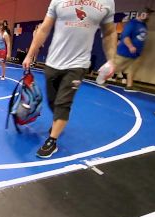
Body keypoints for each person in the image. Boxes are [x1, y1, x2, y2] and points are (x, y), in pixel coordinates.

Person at [22, 0, 117, 158]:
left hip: (78, 65)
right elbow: (44, 28)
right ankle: (58, 120)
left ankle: (52, 141)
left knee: (63, 103)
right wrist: (30, 54)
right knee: (53, 102)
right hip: (53, 62)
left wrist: (112, 60)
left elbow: (109, 32)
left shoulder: (106, 2)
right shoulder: (58, 1)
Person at [114, 7, 155, 92]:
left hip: (136, 54)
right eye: (147, 14)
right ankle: (101, 79)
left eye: (149, 15)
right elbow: (125, 36)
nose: (148, 17)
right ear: (142, 14)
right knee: (114, 67)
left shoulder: (143, 25)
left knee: (132, 70)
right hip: (125, 52)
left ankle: (129, 86)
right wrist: (130, 46)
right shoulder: (132, 23)